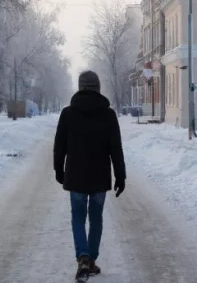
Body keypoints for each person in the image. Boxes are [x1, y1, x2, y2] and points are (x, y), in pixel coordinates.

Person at [54, 70, 126, 281]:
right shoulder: (108, 114)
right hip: (99, 177)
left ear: (80, 87)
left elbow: (59, 146)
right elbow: (116, 148)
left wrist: (59, 169)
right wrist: (120, 176)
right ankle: (91, 260)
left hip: (75, 176)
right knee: (96, 218)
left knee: (77, 217)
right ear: (98, 88)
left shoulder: (68, 113)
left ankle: (83, 257)